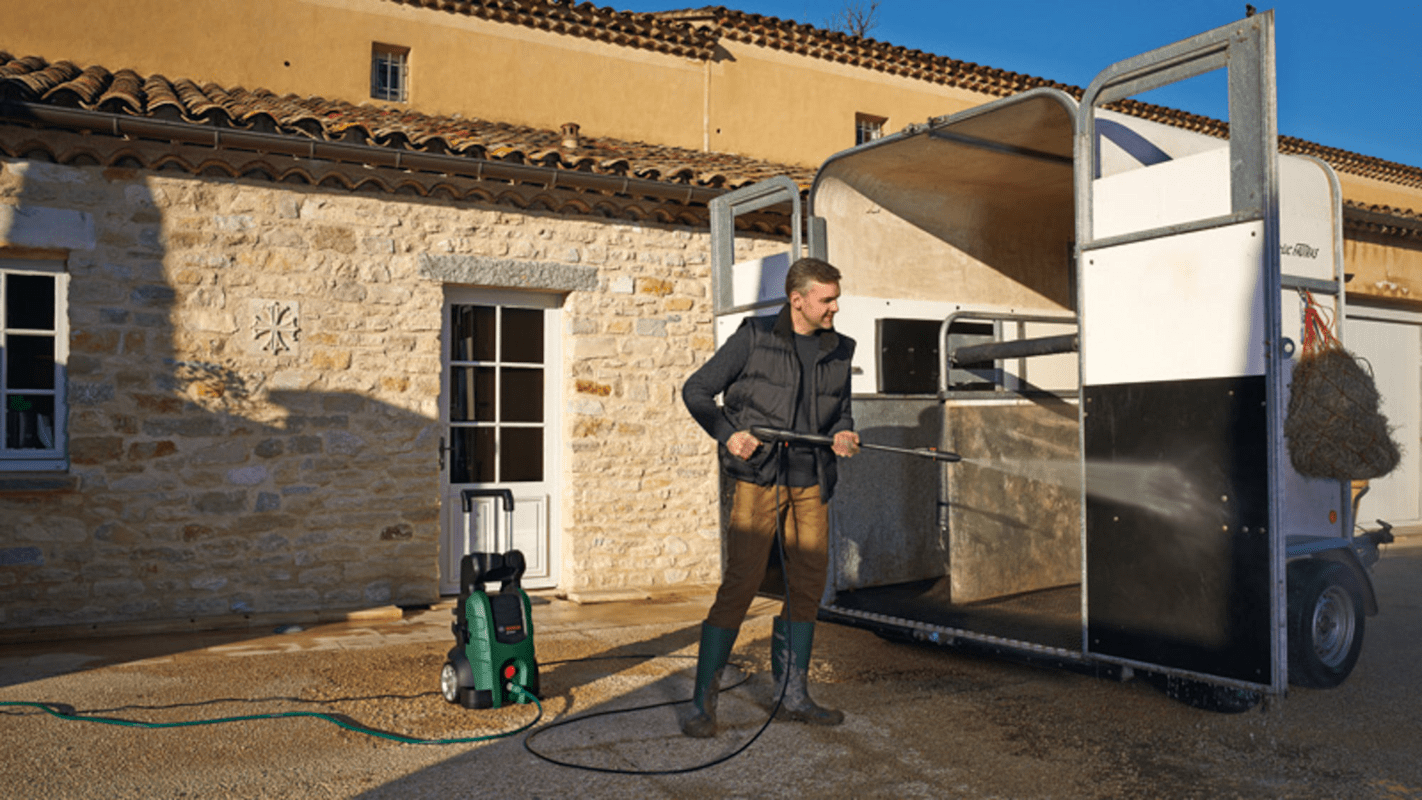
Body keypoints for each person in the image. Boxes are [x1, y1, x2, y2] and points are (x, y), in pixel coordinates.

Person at [679, 256, 860, 738]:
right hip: (759, 478)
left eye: (836, 299)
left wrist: (845, 433)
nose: (835, 308)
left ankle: (793, 696)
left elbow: (842, 411)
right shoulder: (754, 337)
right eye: (827, 300)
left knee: (808, 586)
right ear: (797, 300)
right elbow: (696, 390)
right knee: (742, 583)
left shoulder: (841, 349)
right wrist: (728, 434)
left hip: (812, 481)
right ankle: (703, 704)